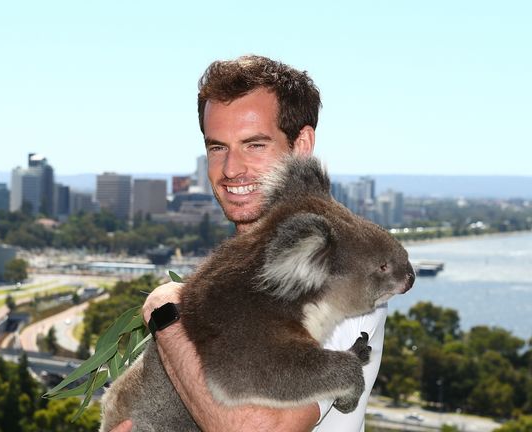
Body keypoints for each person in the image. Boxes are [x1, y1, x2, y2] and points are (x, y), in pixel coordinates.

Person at [111, 55, 387, 432]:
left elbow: (255, 428)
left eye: (254, 145)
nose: (230, 169)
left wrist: (166, 315)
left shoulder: (343, 273)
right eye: (217, 147)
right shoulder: (230, 276)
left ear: (301, 145)